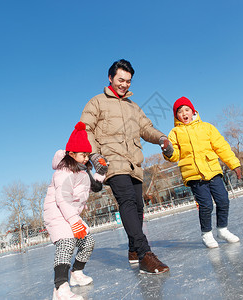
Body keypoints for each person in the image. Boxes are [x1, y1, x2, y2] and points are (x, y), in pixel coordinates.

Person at [80, 59, 171, 274]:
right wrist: (94, 155)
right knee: (128, 201)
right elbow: (85, 129)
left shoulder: (133, 106)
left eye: (128, 81)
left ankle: (132, 248)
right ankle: (144, 254)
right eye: (121, 79)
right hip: (110, 161)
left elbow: (146, 128)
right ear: (110, 78)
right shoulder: (97, 102)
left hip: (134, 162)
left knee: (138, 207)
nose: (124, 84)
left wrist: (162, 139)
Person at [163, 96, 242, 249]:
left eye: (187, 110)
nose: (184, 113)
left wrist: (234, 164)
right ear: (176, 116)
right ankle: (206, 234)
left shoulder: (207, 127)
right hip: (194, 175)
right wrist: (167, 151)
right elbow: (174, 156)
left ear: (193, 111)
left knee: (223, 200)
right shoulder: (175, 132)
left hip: (213, 170)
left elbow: (221, 147)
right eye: (180, 111)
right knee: (206, 205)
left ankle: (222, 230)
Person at [44, 122, 108, 300]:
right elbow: (62, 199)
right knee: (66, 244)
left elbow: (94, 187)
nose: (86, 158)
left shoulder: (82, 171)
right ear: (71, 154)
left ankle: (76, 273)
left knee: (88, 243)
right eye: (83, 155)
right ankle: (60, 289)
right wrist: (74, 221)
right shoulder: (63, 172)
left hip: (71, 216)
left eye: (87, 155)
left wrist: (101, 172)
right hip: (57, 215)